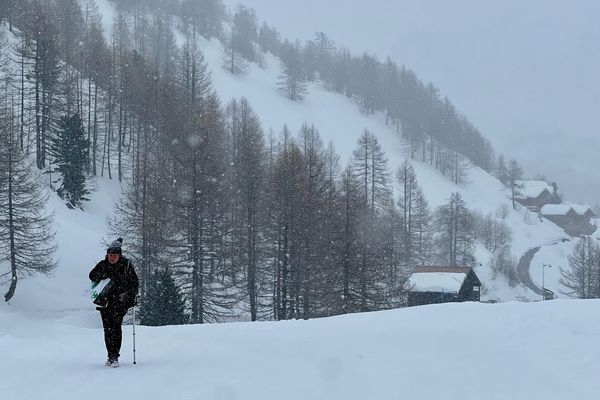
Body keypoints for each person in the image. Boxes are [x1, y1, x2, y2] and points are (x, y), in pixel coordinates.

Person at [89, 238, 139, 368]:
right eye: (110, 255)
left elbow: (134, 282)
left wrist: (132, 297)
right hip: (104, 302)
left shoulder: (126, 265)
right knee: (107, 329)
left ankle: (114, 355)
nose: (112, 258)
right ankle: (110, 355)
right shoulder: (102, 265)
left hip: (120, 302)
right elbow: (92, 276)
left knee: (115, 328)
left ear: (119, 255)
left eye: (114, 255)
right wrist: (102, 275)